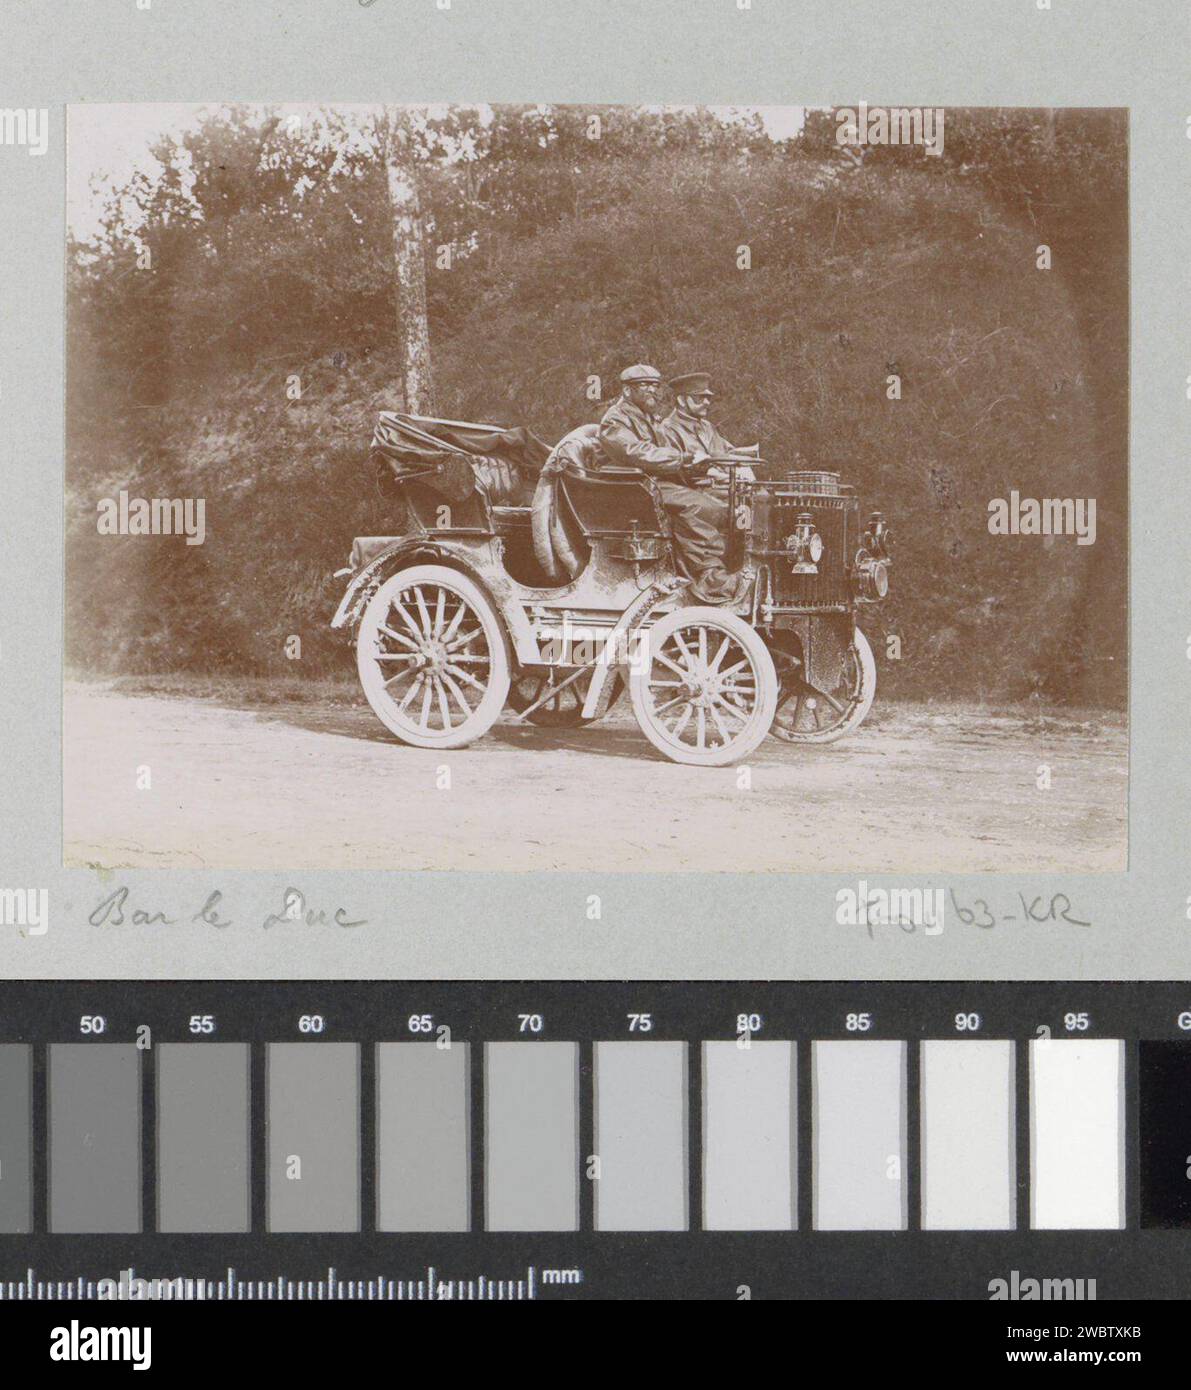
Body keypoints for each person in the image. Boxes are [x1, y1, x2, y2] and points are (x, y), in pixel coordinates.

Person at [597, 364, 749, 606]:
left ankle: (724, 567)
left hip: (652, 484)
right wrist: (683, 459)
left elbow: (666, 453)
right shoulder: (615, 420)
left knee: (716, 503)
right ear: (627, 391)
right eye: (644, 385)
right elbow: (637, 452)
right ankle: (707, 577)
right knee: (697, 505)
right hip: (630, 489)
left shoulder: (649, 418)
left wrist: (694, 465)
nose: (653, 391)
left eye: (656, 386)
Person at [662, 371, 758, 485]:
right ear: (681, 400)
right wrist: (724, 477)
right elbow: (678, 469)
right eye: (699, 398)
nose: (707, 403)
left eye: (708, 398)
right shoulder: (668, 428)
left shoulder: (707, 426)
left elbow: (725, 454)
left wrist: (742, 473)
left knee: (764, 496)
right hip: (693, 490)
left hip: (722, 486)